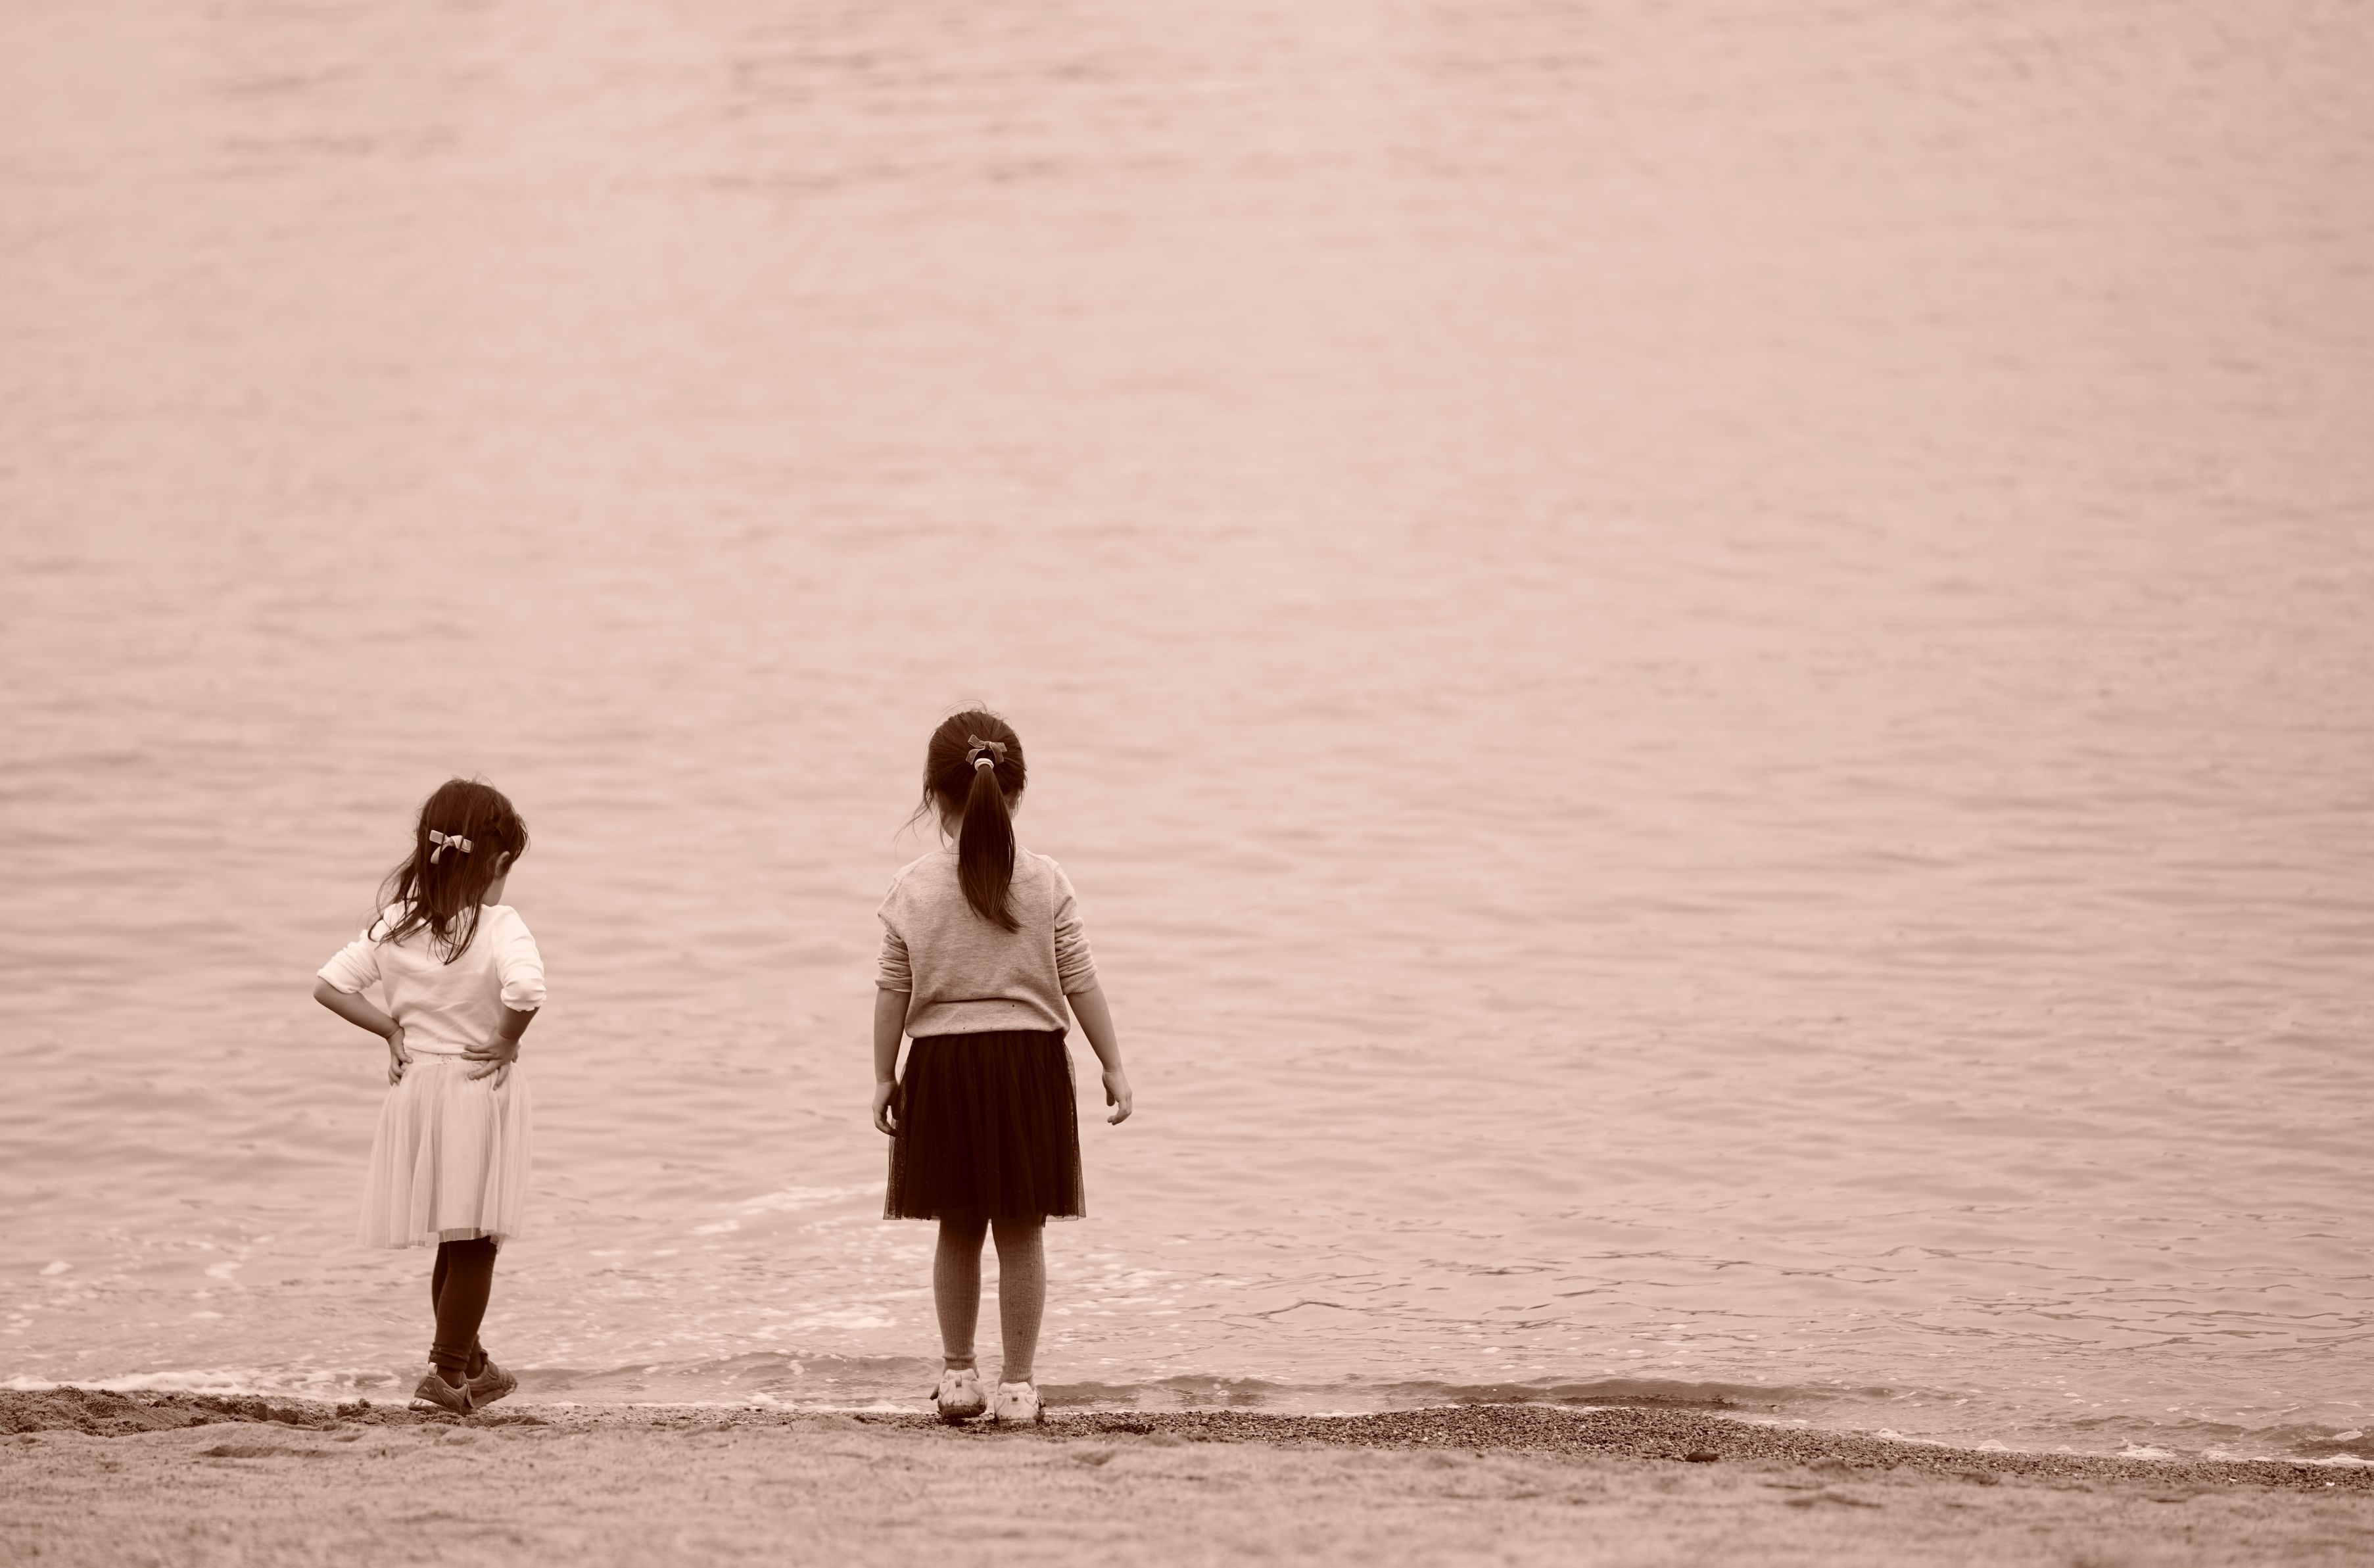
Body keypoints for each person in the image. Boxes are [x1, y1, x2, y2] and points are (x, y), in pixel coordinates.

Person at [873, 709, 1133, 1425]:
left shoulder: (911, 886)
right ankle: (1018, 1387)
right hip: (1027, 1067)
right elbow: (1078, 978)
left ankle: (959, 1376)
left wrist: (883, 1076)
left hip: (943, 1068)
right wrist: (1113, 1064)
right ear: (1015, 794)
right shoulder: (1045, 881)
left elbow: (892, 988)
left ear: (934, 796)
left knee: (957, 1227)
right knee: (1021, 1230)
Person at [313, 778, 543, 1415]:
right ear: (498, 863)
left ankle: (474, 1366)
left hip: (417, 1089)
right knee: (475, 1242)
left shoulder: (397, 922)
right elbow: (527, 991)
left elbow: (329, 986)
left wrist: (392, 1030)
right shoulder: (500, 925)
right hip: (475, 1088)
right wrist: (506, 1039)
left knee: (454, 1234)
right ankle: (445, 1377)